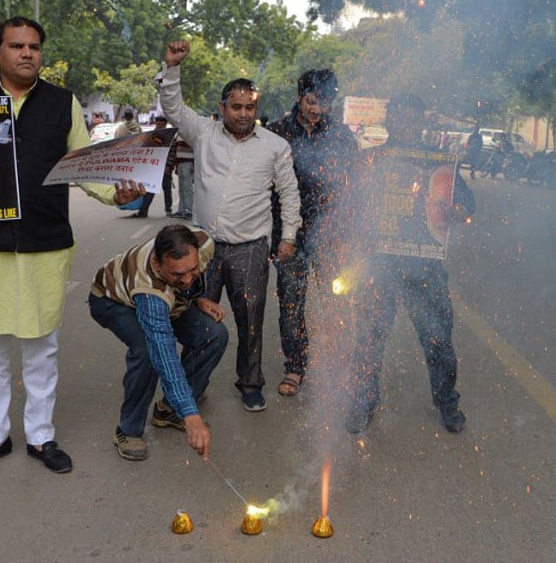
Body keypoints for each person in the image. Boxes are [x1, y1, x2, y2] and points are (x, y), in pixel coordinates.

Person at [0, 16, 144, 475]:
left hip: (44, 243)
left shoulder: (61, 103)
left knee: (41, 348)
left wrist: (115, 195)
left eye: (34, 46)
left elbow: (82, 165)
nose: (27, 53)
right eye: (17, 46)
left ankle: (41, 436)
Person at [157, 39, 301, 412]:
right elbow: (173, 107)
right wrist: (172, 68)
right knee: (195, 319)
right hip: (202, 249)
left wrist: (288, 237)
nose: (242, 114)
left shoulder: (274, 146)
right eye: (235, 107)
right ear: (222, 108)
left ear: (256, 109)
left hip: (250, 250)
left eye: (249, 107)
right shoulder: (203, 133)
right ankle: (191, 385)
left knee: (250, 321)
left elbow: (289, 194)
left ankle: (250, 384)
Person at [346, 92, 475, 435]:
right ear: (389, 120)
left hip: (426, 266)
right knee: (370, 337)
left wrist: (459, 211)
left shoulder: (439, 163)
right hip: (379, 265)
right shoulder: (372, 160)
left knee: (438, 339)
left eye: (412, 118)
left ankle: (447, 403)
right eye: (399, 117)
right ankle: (363, 402)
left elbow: (466, 202)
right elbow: (350, 204)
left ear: (421, 123)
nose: (405, 124)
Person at [88, 225, 228, 461]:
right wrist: (191, 415)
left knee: (214, 334)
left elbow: (197, 272)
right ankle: (128, 430)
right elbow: (164, 353)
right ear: (157, 263)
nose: (187, 279)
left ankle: (169, 410)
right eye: (177, 274)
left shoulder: (204, 242)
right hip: (112, 300)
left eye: (192, 270)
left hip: (170, 301)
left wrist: (197, 297)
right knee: (147, 351)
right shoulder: (149, 291)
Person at [266, 69, 359, 397]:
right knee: (291, 304)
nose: (318, 109)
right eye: (312, 101)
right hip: (288, 235)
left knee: (336, 303)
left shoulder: (341, 136)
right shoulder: (277, 133)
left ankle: (338, 367)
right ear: (299, 97)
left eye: (326, 102)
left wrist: (349, 235)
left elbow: (354, 186)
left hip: (330, 235)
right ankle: (295, 367)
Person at [131, 116, 176, 218]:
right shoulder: (150, 136)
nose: (160, 126)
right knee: (150, 190)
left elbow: (172, 153)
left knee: (167, 190)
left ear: (165, 124)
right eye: (158, 124)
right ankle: (143, 211)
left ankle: (168, 210)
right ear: (156, 123)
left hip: (165, 168)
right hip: (153, 168)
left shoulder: (170, 137)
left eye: (162, 125)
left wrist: (168, 165)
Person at [170, 134, 195, 219]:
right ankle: (181, 210)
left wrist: (194, 163)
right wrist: (176, 165)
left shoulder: (191, 134)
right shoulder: (178, 135)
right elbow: (175, 151)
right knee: (181, 188)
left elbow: (197, 149)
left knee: (187, 187)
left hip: (189, 162)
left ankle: (189, 211)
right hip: (180, 163)